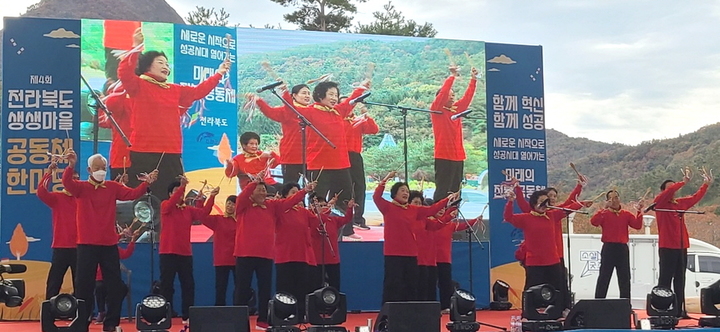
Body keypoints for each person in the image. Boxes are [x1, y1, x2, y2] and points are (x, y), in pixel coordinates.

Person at [119, 27, 230, 200]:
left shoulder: (174, 89)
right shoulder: (138, 85)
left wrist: (219, 73)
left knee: (173, 194)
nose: (166, 66)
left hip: (171, 150)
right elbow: (124, 72)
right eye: (160, 62)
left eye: (167, 63)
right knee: (142, 196)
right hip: (144, 149)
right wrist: (136, 48)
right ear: (148, 65)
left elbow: (198, 92)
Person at [62, 150, 156, 332]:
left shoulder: (113, 187)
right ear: (89, 169)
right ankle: (82, 322)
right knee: (83, 286)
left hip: (109, 244)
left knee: (114, 286)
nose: (101, 170)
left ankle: (111, 323)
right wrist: (71, 165)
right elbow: (66, 182)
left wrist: (146, 183)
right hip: (86, 244)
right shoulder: (81, 187)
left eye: (104, 167)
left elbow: (132, 194)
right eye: (97, 167)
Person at [233, 174, 315, 330]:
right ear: (251, 192)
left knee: (265, 289)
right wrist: (254, 182)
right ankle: (239, 320)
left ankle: (263, 319)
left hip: (266, 254)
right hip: (245, 253)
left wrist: (304, 191)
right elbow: (243, 195)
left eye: (264, 190)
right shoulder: (243, 205)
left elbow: (289, 201)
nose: (263, 192)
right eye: (260, 189)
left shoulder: (272, 206)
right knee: (242, 289)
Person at [374, 171, 456, 303]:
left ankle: (411, 314)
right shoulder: (387, 207)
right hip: (393, 254)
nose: (406, 193)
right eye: (402, 190)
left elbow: (432, 210)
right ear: (394, 194)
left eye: (407, 191)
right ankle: (390, 313)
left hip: (411, 254)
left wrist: (447, 200)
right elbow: (377, 196)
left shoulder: (414, 210)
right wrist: (387, 178)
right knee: (393, 285)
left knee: (411, 286)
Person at [305, 81, 368, 240]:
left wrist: (361, 88)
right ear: (320, 95)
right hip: (319, 164)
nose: (334, 98)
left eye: (336, 95)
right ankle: (315, 232)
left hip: (341, 164)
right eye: (331, 94)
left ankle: (336, 232)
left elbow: (349, 102)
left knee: (344, 198)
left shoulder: (337, 111)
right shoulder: (309, 112)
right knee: (317, 200)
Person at [160, 176, 218, 324]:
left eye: (179, 191)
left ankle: (188, 315)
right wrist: (181, 187)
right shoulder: (165, 205)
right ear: (169, 194)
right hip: (168, 252)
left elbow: (203, 213)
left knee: (188, 285)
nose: (178, 194)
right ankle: (164, 315)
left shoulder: (188, 210)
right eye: (175, 191)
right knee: (167, 285)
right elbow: (172, 203)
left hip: (185, 253)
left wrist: (211, 197)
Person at [653, 173, 711, 318]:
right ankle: (663, 308)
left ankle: (679, 310)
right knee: (665, 280)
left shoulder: (679, 204)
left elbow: (694, 198)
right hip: (667, 246)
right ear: (664, 191)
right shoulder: (660, 203)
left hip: (681, 245)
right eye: (670, 188)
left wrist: (705, 185)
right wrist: (681, 182)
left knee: (680, 278)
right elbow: (667, 193)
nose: (673, 191)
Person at [503, 189, 565, 310]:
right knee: (531, 288)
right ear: (534, 203)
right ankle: (528, 313)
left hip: (553, 260)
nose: (544, 204)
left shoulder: (552, 215)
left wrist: (582, 203)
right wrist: (510, 202)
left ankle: (556, 312)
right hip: (534, 261)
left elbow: (569, 206)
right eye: (541, 201)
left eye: (546, 201)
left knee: (556, 288)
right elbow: (508, 217)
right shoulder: (526, 218)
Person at [430, 66, 478, 203]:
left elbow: (467, 97)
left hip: (458, 156)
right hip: (443, 155)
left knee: (455, 191)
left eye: (453, 95)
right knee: (442, 190)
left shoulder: (456, 110)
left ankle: (453, 218)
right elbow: (443, 93)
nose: (452, 97)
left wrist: (473, 79)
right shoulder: (436, 110)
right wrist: (452, 77)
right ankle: (438, 218)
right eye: (449, 95)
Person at [251, 83, 314, 184]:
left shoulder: (313, 111)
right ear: (294, 95)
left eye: (308, 93)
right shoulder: (286, 111)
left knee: (314, 187)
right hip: (291, 156)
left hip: (311, 156)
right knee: (290, 187)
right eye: (303, 93)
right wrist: (259, 101)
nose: (307, 96)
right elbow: (270, 112)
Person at [590, 190, 643, 299]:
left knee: (624, 277)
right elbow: (594, 222)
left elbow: (637, 226)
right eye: (611, 198)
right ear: (607, 201)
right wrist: (604, 209)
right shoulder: (604, 213)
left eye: (616, 197)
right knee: (604, 276)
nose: (614, 201)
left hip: (622, 248)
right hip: (608, 247)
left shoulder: (626, 214)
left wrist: (639, 211)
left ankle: (625, 303)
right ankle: (598, 302)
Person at [37, 161, 79, 299]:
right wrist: (49, 173)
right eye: (73, 179)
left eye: (77, 179)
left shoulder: (82, 199)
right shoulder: (57, 198)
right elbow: (41, 192)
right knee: (54, 281)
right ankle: (49, 310)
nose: (75, 181)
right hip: (61, 246)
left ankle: (82, 312)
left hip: (80, 246)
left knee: (80, 282)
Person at [434, 205, 479, 312]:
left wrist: (476, 220)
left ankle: (445, 306)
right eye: (438, 209)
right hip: (431, 259)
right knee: (430, 283)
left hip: (445, 258)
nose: (441, 211)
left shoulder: (449, 225)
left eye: (443, 209)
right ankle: (430, 306)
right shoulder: (431, 224)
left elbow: (464, 226)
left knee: (446, 284)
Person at [308, 192, 355, 291]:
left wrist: (350, 208)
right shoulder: (311, 219)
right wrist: (323, 212)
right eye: (320, 206)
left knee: (334, 286)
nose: (324, 207)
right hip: (317, 260)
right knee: (316, 287)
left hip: (333, 259)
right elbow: (318, 223)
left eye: (325, 205)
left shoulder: (332, 220)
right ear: (312, 207)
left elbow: (346, 219)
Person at [344, 102, 379, 231]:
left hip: (355, 155)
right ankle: (343, 218)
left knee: (359, 187)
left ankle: (358, 218)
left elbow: (374, 130)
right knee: (343, 187)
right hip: (339, 155)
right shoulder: (336, 120)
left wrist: (365, 114)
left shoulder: (357, 120)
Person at [94, 229, 139, 324]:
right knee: (99, 288)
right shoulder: (95, 247)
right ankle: (101, 312)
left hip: (113, 279)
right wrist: (121, 235)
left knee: (121, 289)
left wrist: (132, 240)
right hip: (100, 279)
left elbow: (126, 254)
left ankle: (112, 310)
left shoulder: (115, 249)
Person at [201, 195, 238, 306]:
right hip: (222, 259)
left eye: (233, 204)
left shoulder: (242, 221)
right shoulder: (218, 220)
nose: (230, 206)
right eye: (229, 203)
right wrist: (210, 198)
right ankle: (220, 310)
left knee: (240, 288)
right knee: (221, 288)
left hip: (238, 258)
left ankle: (239, 310)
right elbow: (202, 216)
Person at [98, 81, 133, 181]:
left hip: (121, 158)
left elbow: (103, 121)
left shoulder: (119, 97)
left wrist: (101, 105)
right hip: (135, 157)